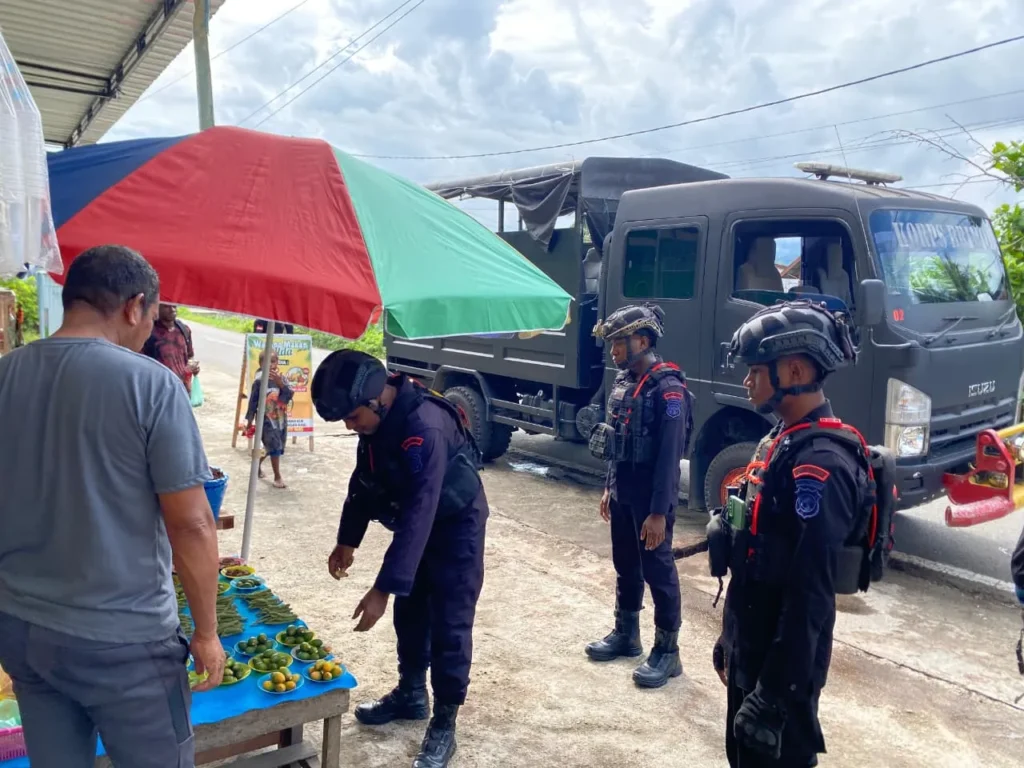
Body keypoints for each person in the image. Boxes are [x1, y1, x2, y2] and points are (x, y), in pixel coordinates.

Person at [0, 245, 222, 768]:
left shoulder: (6, 374)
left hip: (24, 627)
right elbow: (192, 523)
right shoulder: (151, 384)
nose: (148, 331)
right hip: (123, 638)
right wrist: (207, 632)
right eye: (151, 317)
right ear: (134, 306)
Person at [312, 350, 487, 768]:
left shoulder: (424, 427)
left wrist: (381, 589)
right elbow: (364, 479)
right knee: (410, 613)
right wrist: (347, 540)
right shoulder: (377, 422)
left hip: (455, 524)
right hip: (419, 522)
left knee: (449, 622)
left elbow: (419, 514)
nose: (350, 427)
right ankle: (411, 694)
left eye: (352, 418)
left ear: (377, 399)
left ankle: (444, 723)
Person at [710, 300, 861, 768]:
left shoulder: (821, 464)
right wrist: (730, 641)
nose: (747, 381)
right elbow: (757, 559)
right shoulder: (779, 440)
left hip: (782, 675)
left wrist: (774, 695)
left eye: (756, 370)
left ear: (794, 371)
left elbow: (811, 595)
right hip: (752, 649)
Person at [584, 303, 695, 688]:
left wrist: (659, 513)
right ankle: (626, 634)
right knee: (626, 565)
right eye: (612, 344)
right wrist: (609, 487)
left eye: (620, 343)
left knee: (658, 572)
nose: (614, 351)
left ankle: (668, 651)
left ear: (643, 342)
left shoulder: (669, 390)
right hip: (623, 492)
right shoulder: (624, 382)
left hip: (651, 500)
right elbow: (616, 440)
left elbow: (669, 457)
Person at [246, 350, 293, 488]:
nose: (270, 365)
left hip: (280, 419)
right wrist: (249, 420)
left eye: (273, 361)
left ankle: (256, 466)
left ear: (277, 362)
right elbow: (253, 401)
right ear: (260, 364)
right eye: (266, 362)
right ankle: (277, 477)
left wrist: (280, 384)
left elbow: (289, 394)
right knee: (275, 446)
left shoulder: (282, 379)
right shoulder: (259, 381)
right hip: (266, 421)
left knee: (272, 447)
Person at [142, 302, 200, 393]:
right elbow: (141, 364)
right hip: (160, 390)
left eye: (174, 306)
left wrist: (193, 368)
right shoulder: (149, 332)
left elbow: (190, 357)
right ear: (157, 308)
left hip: (183, 390)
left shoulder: (184, 330)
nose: (172, 309)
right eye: (167, 306)